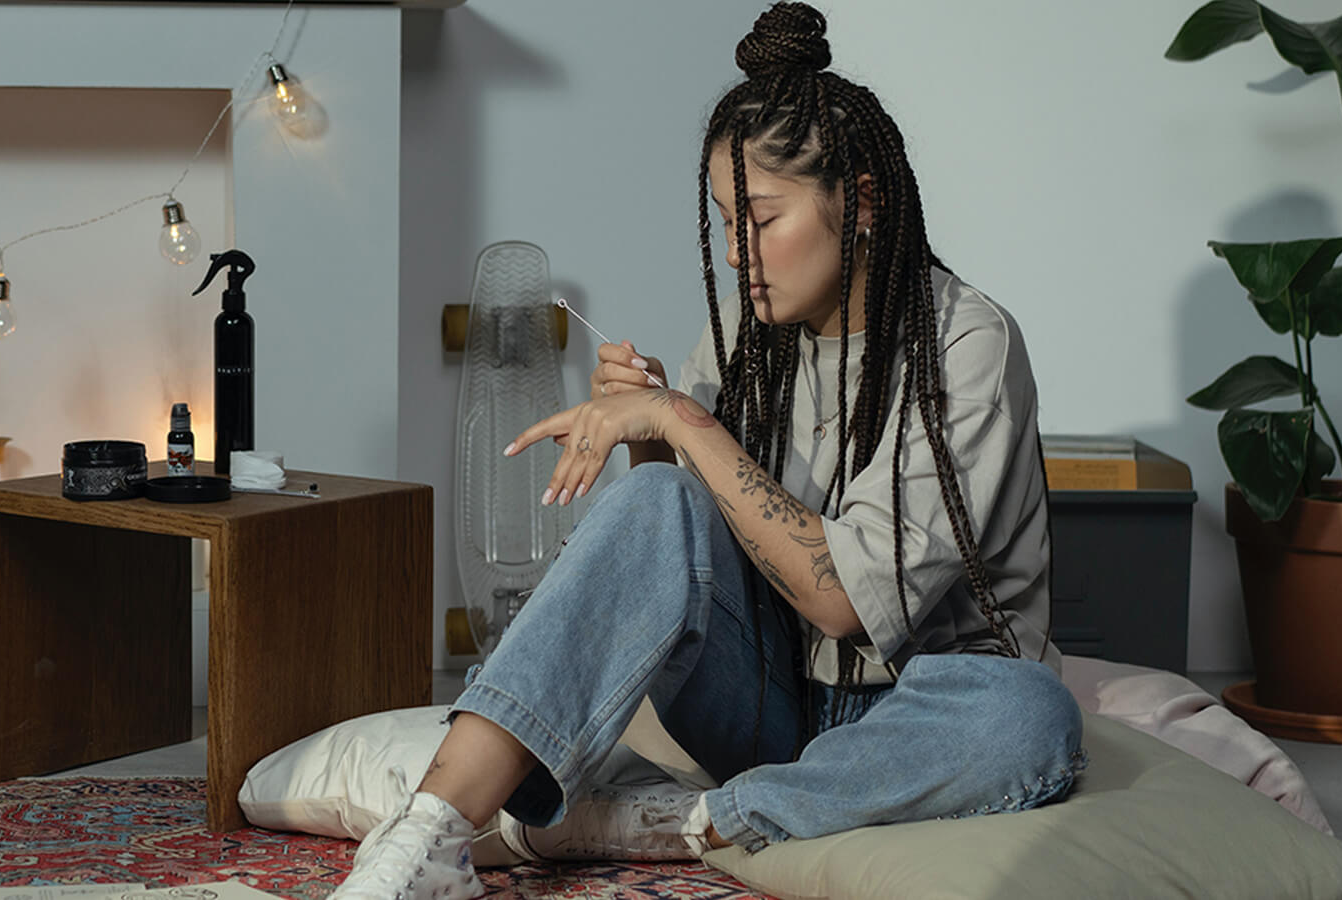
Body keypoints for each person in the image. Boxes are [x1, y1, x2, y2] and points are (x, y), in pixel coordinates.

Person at [329, 4, 1083, 897]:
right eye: (725, 223)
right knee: (656, 499)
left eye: (761, 219)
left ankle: (699, 818)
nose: (736, 254)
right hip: (770, 697)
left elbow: (845, 601)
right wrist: (650, 434)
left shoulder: (967, 343)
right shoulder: (744, 337)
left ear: (864, 201)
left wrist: (684, 420)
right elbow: (684, 546)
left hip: (919, 716)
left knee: (1031, 716)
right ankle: (429, 833)